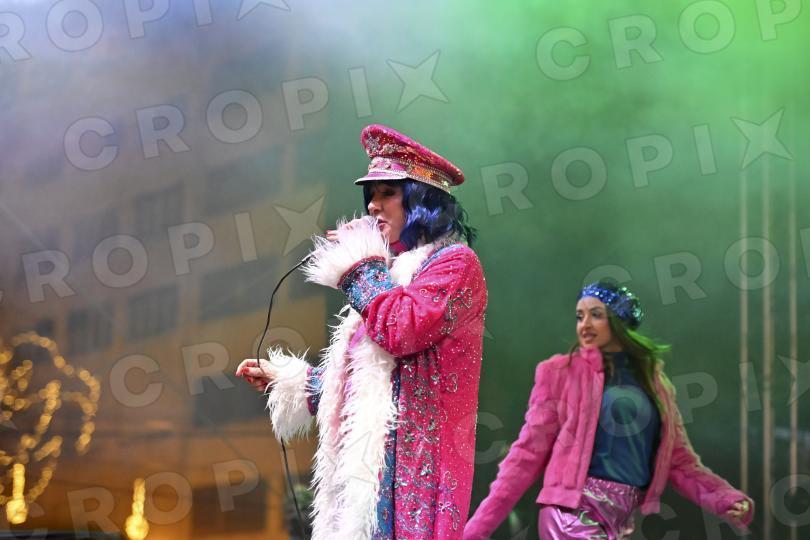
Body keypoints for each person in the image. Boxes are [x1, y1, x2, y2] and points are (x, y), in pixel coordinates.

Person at [237, 124, 488, 540]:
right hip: (359, 481)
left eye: (387, 192)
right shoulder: (387, 276)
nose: (372, 206)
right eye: (370, 194)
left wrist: (359, 264)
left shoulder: (455, 264)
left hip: (413, 475)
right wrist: (295, 382)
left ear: (421, 199)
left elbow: (401, 329)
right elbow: (367, 379)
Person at [463, 280, 753, 539]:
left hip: (623, 520)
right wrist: (477, 529)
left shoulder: (655, 384)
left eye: (596, 315)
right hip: (572, 514)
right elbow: (526, 455)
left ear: (619, 321)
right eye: (579, 317)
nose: (584, 325)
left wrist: (725, 499)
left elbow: (680, 463)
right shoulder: (560, 372)